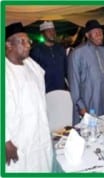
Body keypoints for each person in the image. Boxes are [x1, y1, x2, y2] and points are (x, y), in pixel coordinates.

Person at [5, 22, 52, 172]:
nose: (28, 45)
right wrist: (5, 141)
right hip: (16, 139)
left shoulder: (31, 66)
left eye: (28, 41)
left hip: (38, 132)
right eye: (22, 41)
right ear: (9, 45)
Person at [68, 19, 104, 125]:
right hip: (88, 103)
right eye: (95, 32)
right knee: (88, 136)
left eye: (101, 32)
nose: (99, 35)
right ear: (87, 35)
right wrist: (81, 107)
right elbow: (74, 83)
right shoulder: (77, 53)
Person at [30, 21, 68, 93]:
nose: (52, 33)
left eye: (53, 30)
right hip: (45, 91)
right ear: (42, 34)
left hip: (61, 89)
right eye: (49, 31)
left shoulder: (60, 48)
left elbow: (66, 69)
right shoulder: (36, 50)